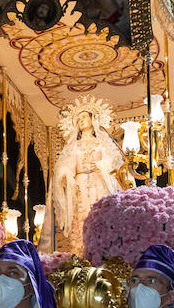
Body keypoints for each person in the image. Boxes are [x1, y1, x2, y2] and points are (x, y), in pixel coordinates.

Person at [45, 105, 127, 255]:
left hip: (99, 182)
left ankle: (103, 253)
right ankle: (81, 253)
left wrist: (101, 165)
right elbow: (66, 166)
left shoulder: (101, 142)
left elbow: (114, 163)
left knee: (100, 216)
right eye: (78, 119)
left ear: (92, 119)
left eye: (84, 117)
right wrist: (65, 175)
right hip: (80, 185)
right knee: (81, 217)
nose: (81, 121)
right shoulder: (74, 145)